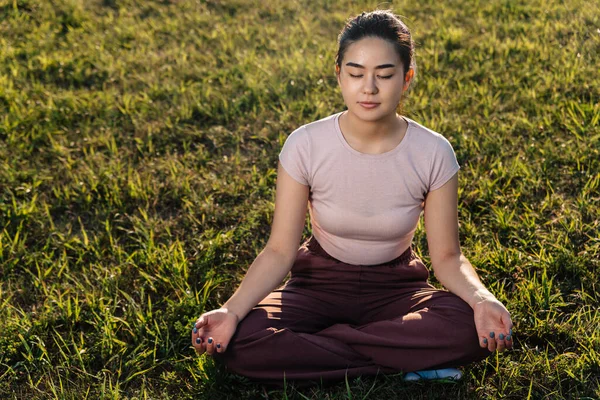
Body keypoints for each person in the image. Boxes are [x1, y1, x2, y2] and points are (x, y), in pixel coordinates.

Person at [191, 9, 513, 388]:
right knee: (242, 342)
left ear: (407, 78)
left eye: (385, 74)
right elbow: (280, 251)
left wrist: (481, 299)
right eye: (356, 73)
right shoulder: (306, 145)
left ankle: (325, 352)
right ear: (339, 75)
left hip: (397, 288)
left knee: (466, 326)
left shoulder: (433, 152)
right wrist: (231, 310)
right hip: (317, 285)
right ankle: (398, 356)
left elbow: (447, 257)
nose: (369, 88)